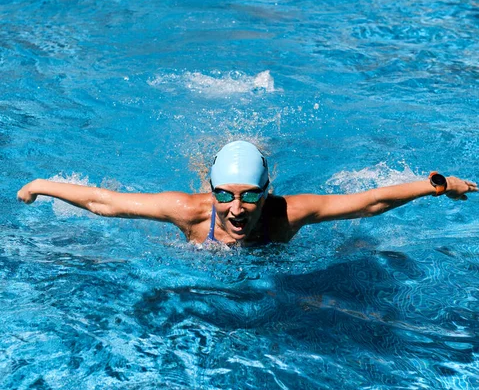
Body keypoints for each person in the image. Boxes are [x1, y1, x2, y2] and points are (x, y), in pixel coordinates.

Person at [17, 140, 477, 246]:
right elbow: (105, 202)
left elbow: (372, 201)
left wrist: (436, 187)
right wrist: (40, 185)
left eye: (250, 197)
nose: (236, 211)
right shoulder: (192, 212)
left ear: (267, 193)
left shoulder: (286, 214)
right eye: (227, 196)